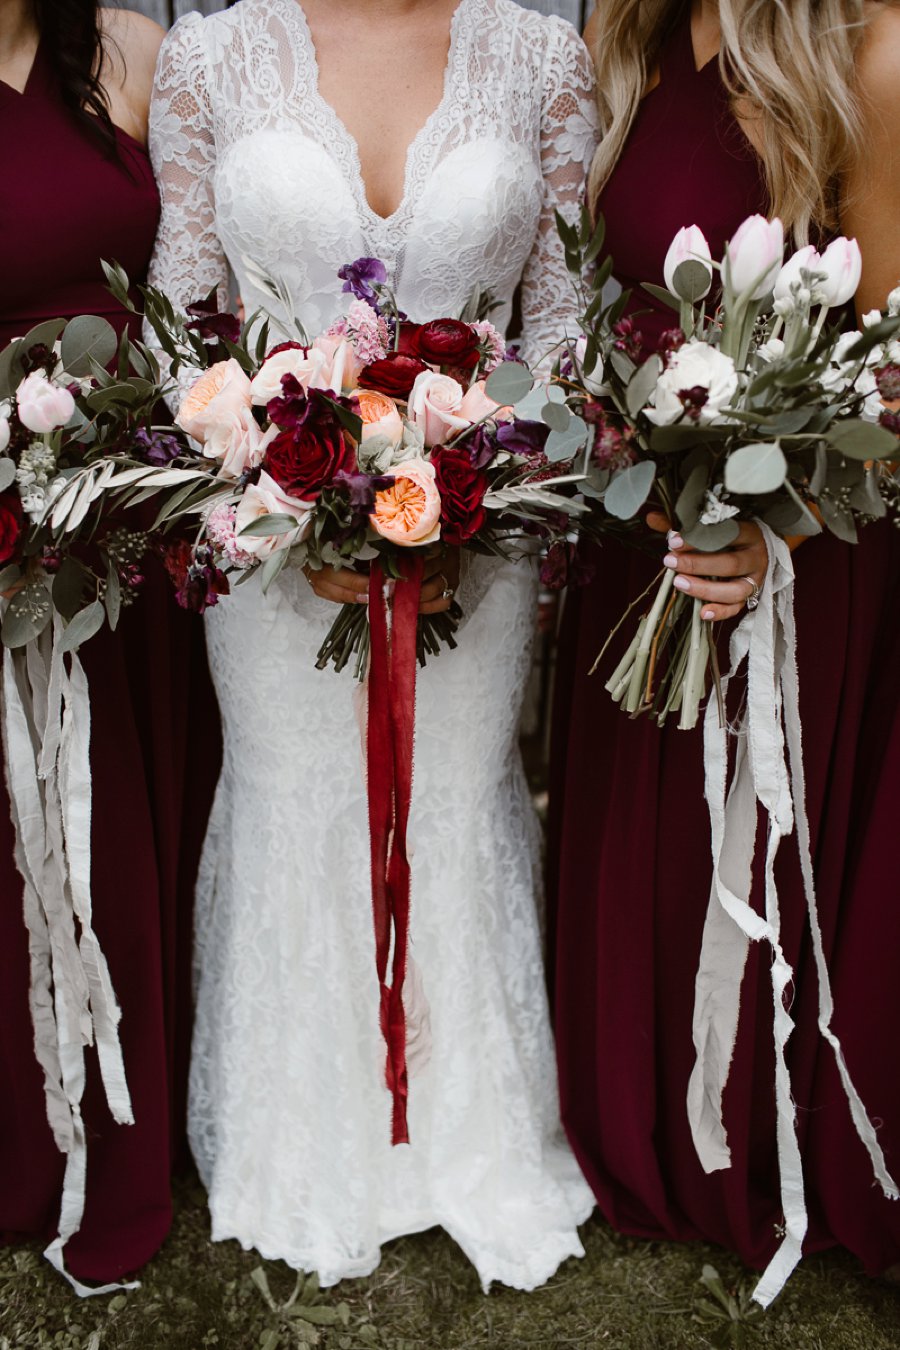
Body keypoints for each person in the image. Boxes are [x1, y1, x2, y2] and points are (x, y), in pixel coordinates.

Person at [147, 0, 597, 1291]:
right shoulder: (209, 59)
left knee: (456, 795)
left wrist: (479, 492)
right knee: (297, 796)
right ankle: (312, 1127)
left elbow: (557, 334)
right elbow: (183, 333)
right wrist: (277, 491)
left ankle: (468, 1127)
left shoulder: (541, 58)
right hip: (272, 554)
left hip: (482, 550)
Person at [549, 0, 900, 1283]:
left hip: (796, 550)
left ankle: (749, 1130)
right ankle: (643, 1106)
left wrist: (779, 534)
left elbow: (895, 367)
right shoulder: (633, 37)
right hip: (642, 527)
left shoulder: (869, 51)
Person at [0, 0, 219, 1284]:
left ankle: (128, 1113)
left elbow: (186, 297)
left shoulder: (132, 50)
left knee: (123, 820)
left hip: (120, 529)